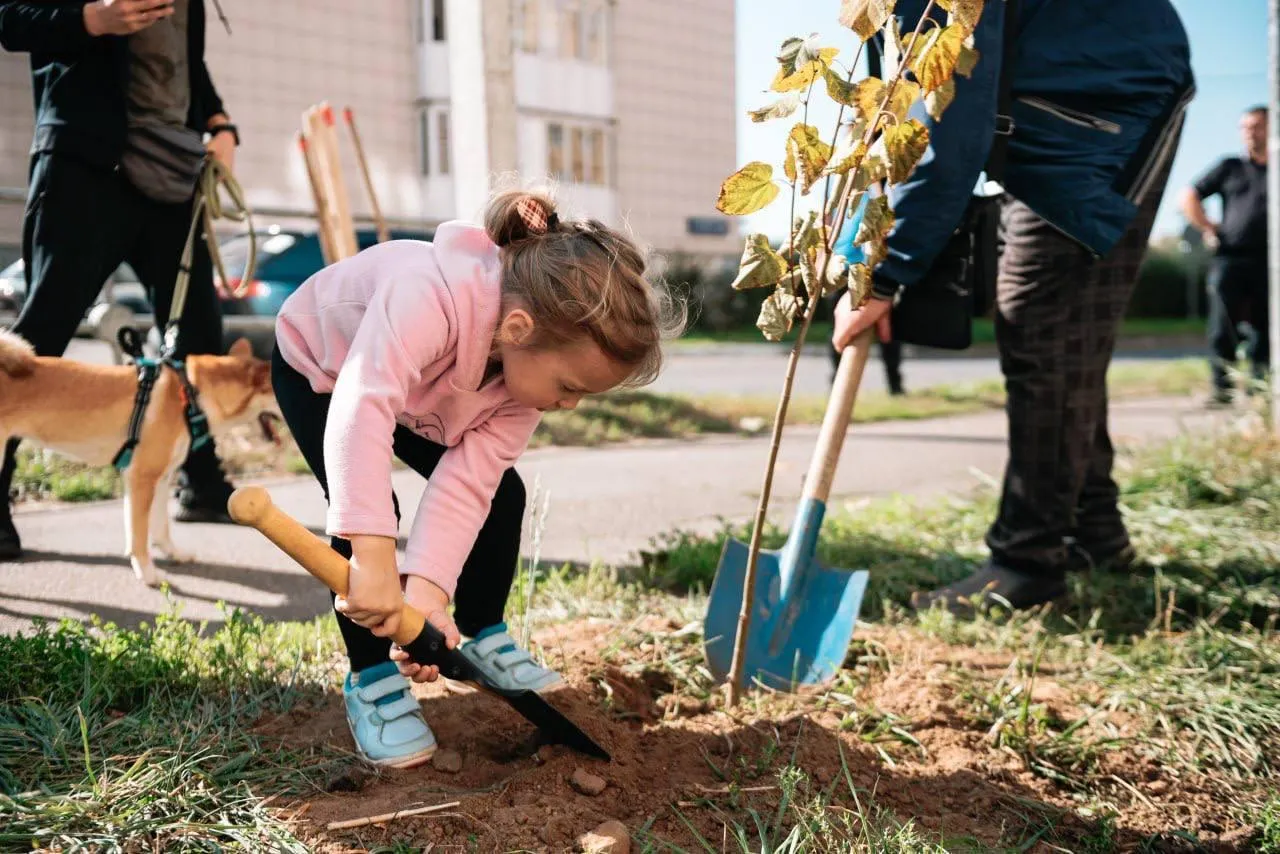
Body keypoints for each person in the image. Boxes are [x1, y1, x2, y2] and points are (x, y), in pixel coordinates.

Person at [271, 190, 681, 767]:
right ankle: (372, 680)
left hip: (420, 391)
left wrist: (427, 599)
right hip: (323, 369)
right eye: (569, 387)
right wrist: (375, 561)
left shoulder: (524, 376)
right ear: (517, 328)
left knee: (501, 493)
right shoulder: (428, 296)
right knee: (366, 508)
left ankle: (481, 628)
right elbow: (362, 408)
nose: (570, 405)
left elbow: (467, 483)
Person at [831, 0, 1194, 611]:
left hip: (1102, 115)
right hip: (1066, 104)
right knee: (1062, 335)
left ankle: (1026, 567)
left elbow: (948, 119)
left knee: (1041, 327)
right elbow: (899, 113)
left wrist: (884, 275)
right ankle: (1095, 533)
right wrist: (859, 252)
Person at [0, 0, 242, 561]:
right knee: (36, 344)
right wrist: (89, 19)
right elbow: (11, 18)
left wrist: (217, 121)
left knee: (198, 332)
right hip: (87, 170)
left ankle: (199, 479)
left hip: (173, 174)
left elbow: (186, 63)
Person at [1181, 106, 1271, 404]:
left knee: (1265, 327)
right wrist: (1206, 226)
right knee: (1223, 326)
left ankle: (1261, 389)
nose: (1250, 132)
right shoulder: (1230, 167)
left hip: (1270, 261)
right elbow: (1190, 194)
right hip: (1230, 256)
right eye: (1245, 127)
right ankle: (1222, 390)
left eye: (1256, 126)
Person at [829, 191, 905, 395]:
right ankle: (837, 385)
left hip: (876, 263)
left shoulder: (880, 180)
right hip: (843, 262)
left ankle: (895, 384)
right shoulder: (840, 182)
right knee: (842, 328)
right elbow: (828, 217)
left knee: (887, 330)